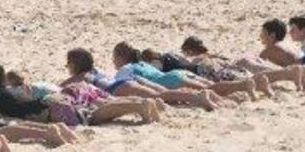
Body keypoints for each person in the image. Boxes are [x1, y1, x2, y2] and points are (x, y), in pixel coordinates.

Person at [0, 59, 161, 126]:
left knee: (93, 118)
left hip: (51, 108)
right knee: (91, 111)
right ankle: (137, 103)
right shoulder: (14, 88)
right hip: (52, 99)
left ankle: (139, 105)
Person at [61, 47, 218, 111]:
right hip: (128, 81)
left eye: (68, 64)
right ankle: (198, 96)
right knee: (164, 94)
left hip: (118, 88)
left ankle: (197, 96)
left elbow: (59, 89)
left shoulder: (80, 76)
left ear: (74, 65)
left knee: (160, 95)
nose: (67, 67)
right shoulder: (97, 70)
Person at [105, 42, 258, 100]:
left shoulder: (125, 70)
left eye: (114, 57)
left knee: (208, 89)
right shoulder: (143, 64)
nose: (113, 61)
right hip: (179, 73)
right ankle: (241, 87)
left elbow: (122, 88)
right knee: (211, 86)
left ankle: (243, 86)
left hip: (170, 80)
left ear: (120, 57)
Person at [178, 35, 305, 93]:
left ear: (189, 50)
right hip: (225, 66)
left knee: (250, 81)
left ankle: (288, 74)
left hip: (213, 70)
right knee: (254, 77)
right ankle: (289, 74)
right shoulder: (213, 55)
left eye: (185, 52)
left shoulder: (195, 59)